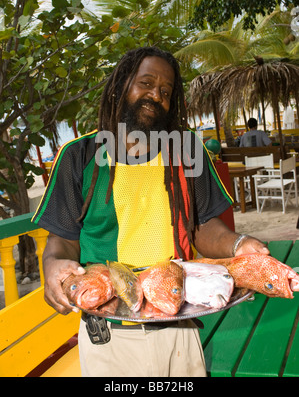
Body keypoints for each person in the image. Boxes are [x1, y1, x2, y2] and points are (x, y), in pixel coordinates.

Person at [32, 47, 269, 377]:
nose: (155, 95)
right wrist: (53, 264)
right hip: (109, 333)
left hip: (179, 323)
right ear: (120, 86)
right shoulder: (79, 155)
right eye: (146, 83)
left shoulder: (187, 151)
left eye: (166, 91)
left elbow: (203, 227)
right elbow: (63, 241)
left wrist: (240, 244)